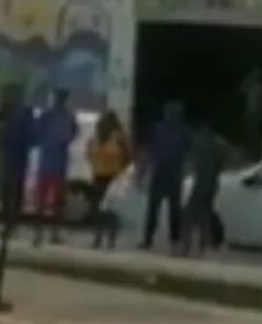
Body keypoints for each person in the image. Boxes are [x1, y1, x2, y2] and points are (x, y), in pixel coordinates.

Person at [141, 101, 190, 251]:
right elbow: (151, 150)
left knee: (173, 209)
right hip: (162, 170)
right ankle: (148, 239)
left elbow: (187, 152)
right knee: (154, 208)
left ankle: (173, 240)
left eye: (174, 113)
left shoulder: (183, 131)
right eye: (169, 112)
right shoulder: (159, 129)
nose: (171, 115)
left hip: (173, 171)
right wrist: (146, 169)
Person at [32, 88, 79, 246]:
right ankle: (53, 233)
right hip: (58, 163)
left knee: (43, 200)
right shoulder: (68, 117)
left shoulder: (46, 116)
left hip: (47, 162)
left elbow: (37, 136)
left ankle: (39, 233)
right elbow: (72, 136)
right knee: (56, 201)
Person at [182, 121, 229, 256]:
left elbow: (195, 162)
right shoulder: (220, 144)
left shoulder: (201, 143)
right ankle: (202, 247)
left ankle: (186, 247)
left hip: (202, 182)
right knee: (205, 215)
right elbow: (221, 163)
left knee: (188, 215)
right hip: (213, 183)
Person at [86, 111, 131, 249]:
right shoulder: (118, 137)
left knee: (101, 209)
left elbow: (88, 153)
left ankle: (100, 237)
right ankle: (107, 238)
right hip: (112, 176)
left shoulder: (99, 137)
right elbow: (128, 156)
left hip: (103, 175)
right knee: (108, 210)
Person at [0, 84, 36, 239]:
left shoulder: (20, 112)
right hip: (14, 155)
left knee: (11, 190)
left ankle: (10, 221)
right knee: (11, 190)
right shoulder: (16, 111)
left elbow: (2, 132)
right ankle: (11, 221)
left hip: (14, 155)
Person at [240, 68, 262, 161]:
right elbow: (242, 89)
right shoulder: (253, 86)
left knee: (256, 135)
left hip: (256, 115)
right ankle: (253, 155)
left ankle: (256, 156)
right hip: (251, 114)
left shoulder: (260, 87)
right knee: (252, 135)